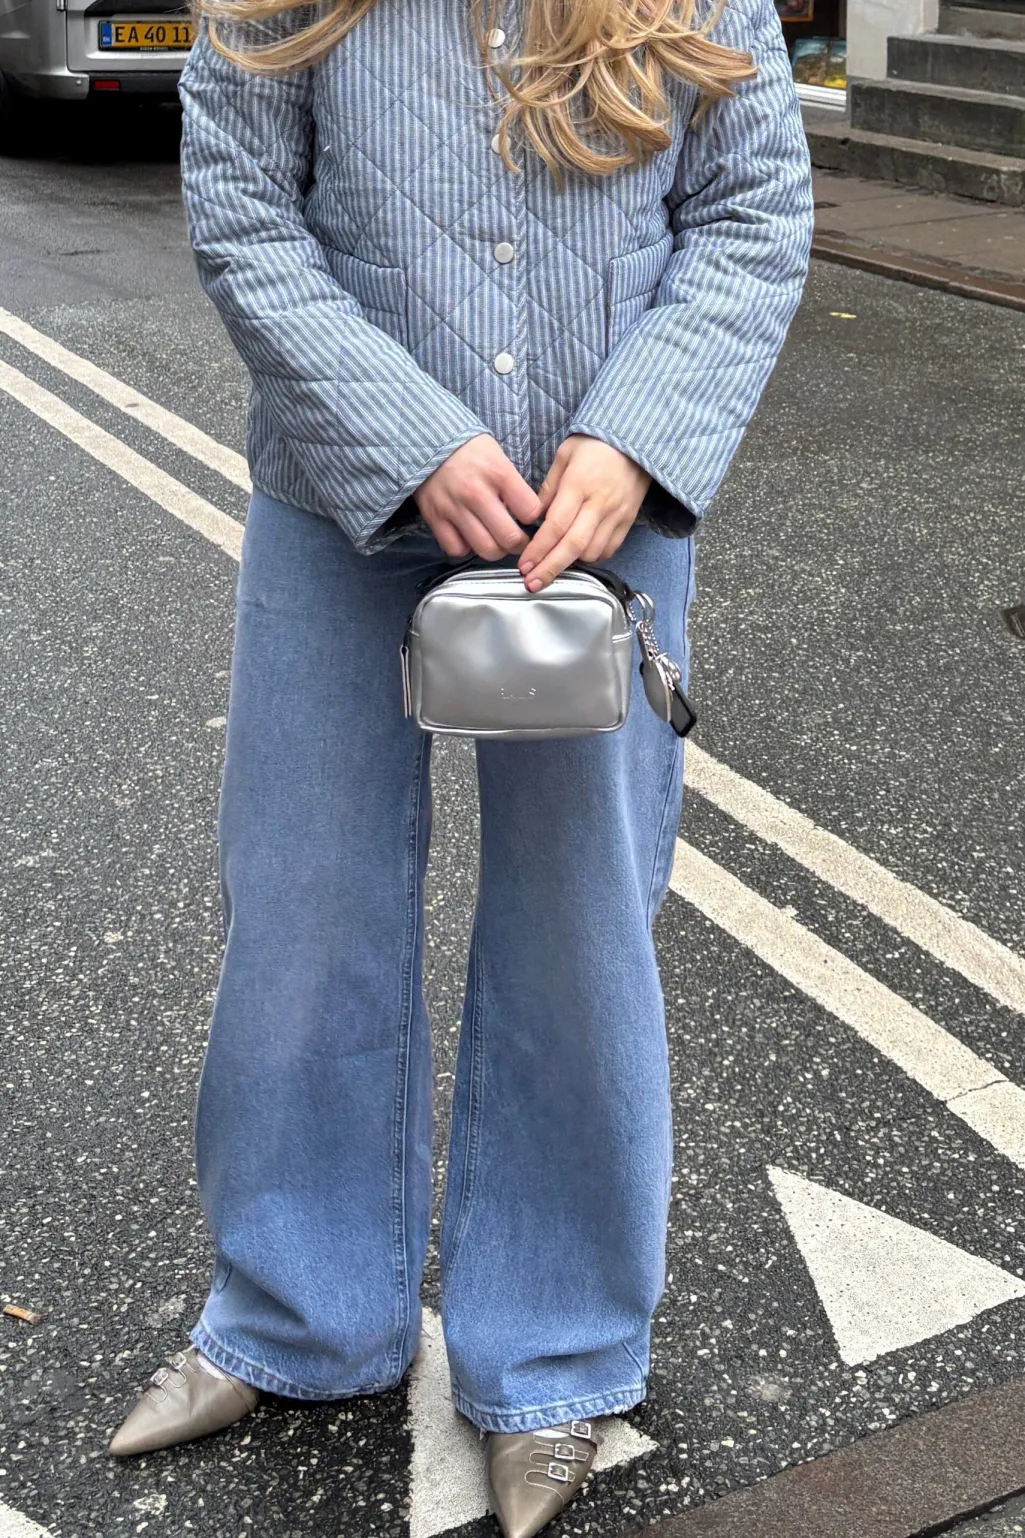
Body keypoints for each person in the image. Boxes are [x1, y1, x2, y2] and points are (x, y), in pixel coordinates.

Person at [108, 1, 812, 1533]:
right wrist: (402, 433)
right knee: (303, 904)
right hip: (335, 492)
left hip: (594, 513)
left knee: (578, 925)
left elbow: (752, 211)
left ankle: (554, 1352)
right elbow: (244, 210)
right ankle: (294, 1310)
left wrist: (636, 437)